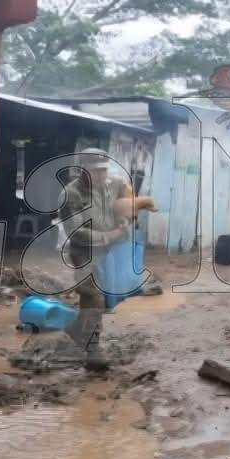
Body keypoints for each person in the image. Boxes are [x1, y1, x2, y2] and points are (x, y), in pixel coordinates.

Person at [58, 148, 133, 373]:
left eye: (103, 171)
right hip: (83, 253)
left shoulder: (109, 185)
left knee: (111, 296)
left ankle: (76, 328)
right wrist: (111, 235)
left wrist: (124, 218)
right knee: (93, 296)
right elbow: (77, 232)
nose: (101, 176)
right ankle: (93, 350)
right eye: (95, 171)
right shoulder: (71, 194)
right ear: (82, 170)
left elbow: (125, 196)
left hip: (108, 252)